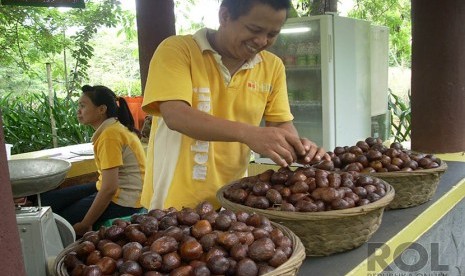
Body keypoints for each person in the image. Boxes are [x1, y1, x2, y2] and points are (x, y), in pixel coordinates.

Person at [140, 0, 330, 211]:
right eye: (254, 29)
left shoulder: (272, 66)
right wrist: (249, 133)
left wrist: (298, 145)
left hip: (232, 200)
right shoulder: (178, 50)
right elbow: (176, 115)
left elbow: (281, 124)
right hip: (172, 201)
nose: (261, 41)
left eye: (272, 34)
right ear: (224, 16)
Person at [40, 85, 146, 236]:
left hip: (126, 200)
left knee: (61, 220)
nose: (78, 111)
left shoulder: (111, 135)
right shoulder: (113, 129)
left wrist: (85, 224)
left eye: (83, 106)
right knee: (49, 200)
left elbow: (109, 188)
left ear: (101, 109)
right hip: (115, 188)